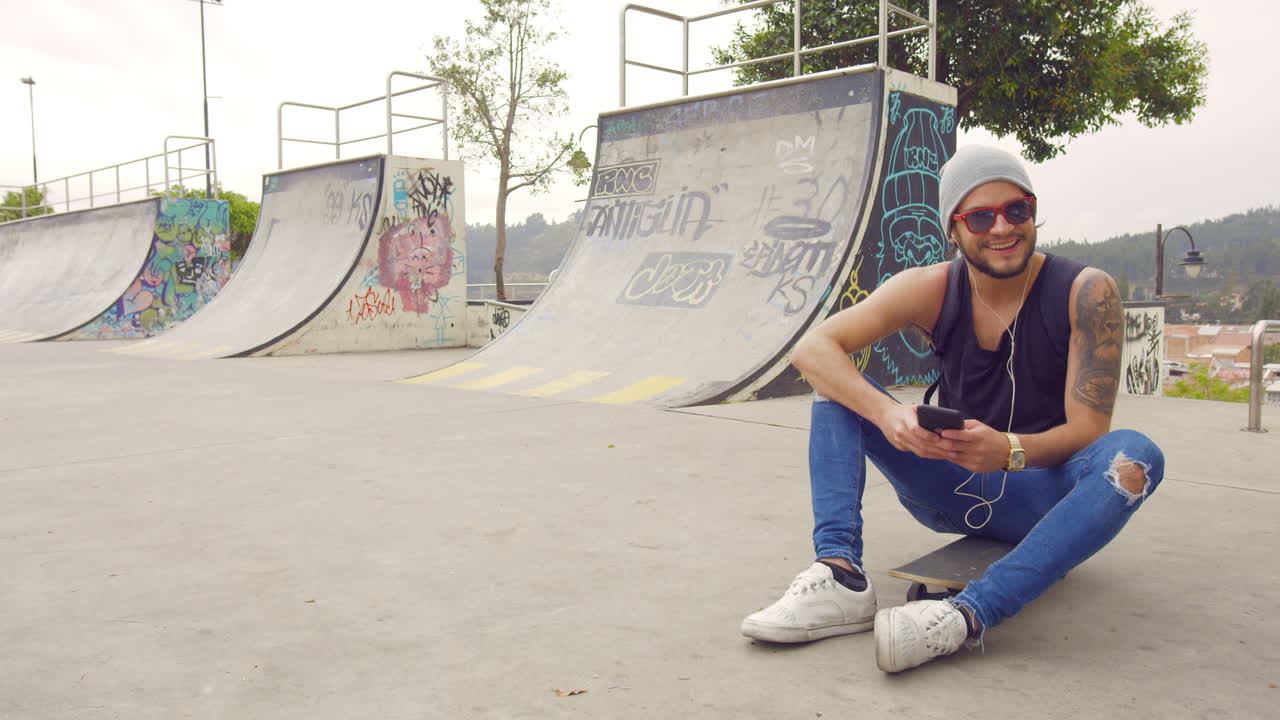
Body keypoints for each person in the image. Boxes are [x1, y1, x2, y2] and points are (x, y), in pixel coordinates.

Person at [740, 145, 1164, 673]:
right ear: (953, 230)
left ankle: (963, 617)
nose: (1002, 227)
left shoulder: (1085, 291)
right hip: (951, 486)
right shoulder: (931, 288)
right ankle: (841, 575)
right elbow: (813, 350)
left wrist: (1007, 450)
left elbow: (1088, 429)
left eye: (1018, 209)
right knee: (839, 390)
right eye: (980, 216)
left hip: (1044, 497)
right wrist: (888, 414)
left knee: (1137, 458)